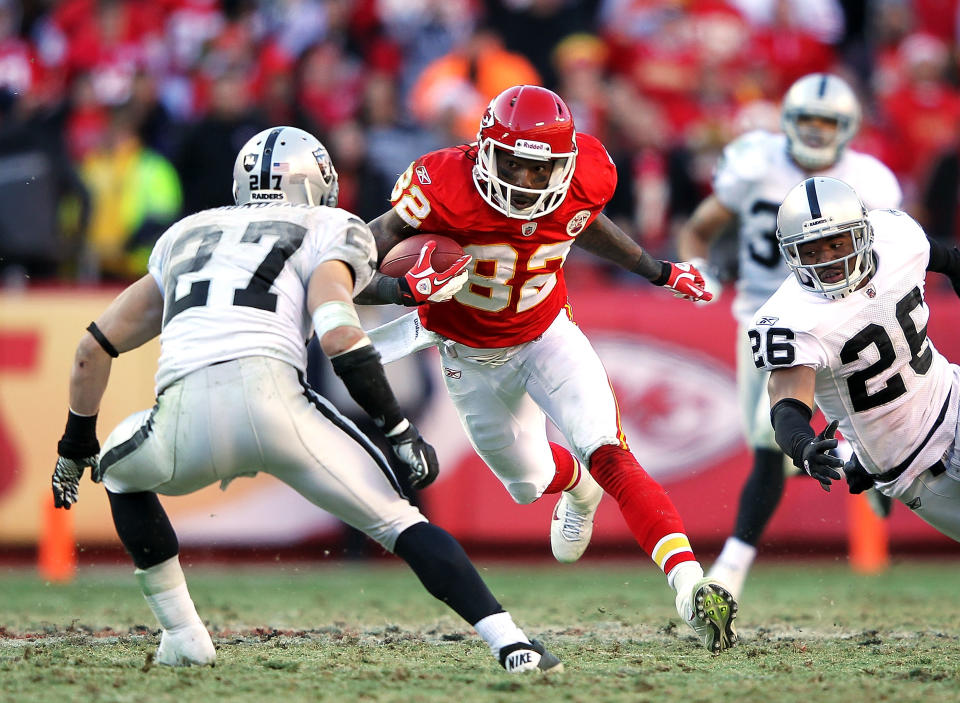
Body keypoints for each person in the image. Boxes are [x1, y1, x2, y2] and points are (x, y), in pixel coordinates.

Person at [50, 125, 562, 674]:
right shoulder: (327, 224)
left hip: (181, 413)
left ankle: (182, 633)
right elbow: (339, 329)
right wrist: (396, 427)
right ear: (314, 180)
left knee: (121, 470)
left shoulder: (185, 235)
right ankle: (511, 643)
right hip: (278, 405)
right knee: (400, 523)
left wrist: (74, 444)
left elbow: (92, 348)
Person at [355, 84, 739, 654]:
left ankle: (689, 587)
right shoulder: (440, 185)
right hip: (468, 353)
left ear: (564, 163)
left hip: (546, 333)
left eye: (541, 169)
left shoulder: (588, 175)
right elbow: (356, 256)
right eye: (511, 162)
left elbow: (587, 224)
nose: (525, 181)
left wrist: (658, 270)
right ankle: (574, 486)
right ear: (484, 148)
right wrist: (401, 288)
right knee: (526, 483)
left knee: (608, 448)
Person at [675, 73, 903, 599]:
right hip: (758, 315)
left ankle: (731, 569)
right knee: (780, 442)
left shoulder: (870, 180)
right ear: (787, 122)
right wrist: (699, 269)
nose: (817, 132)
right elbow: (698, 229)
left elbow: (893, 251)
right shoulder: (755, 162)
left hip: (833, 314)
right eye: (808, 121)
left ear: (847, 128)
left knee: (767, 436)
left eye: (829, 122)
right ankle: (861, 464)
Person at [751, 176, 960, 550]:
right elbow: (786, 406)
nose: (827, 259)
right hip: (913, 467)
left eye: (836, 243)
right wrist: (802, 447)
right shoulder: (790, 319)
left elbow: (951, 262)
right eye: (810, 251)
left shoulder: (897, 237)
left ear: (863, 232)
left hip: (952, 398)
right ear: (791, 254)